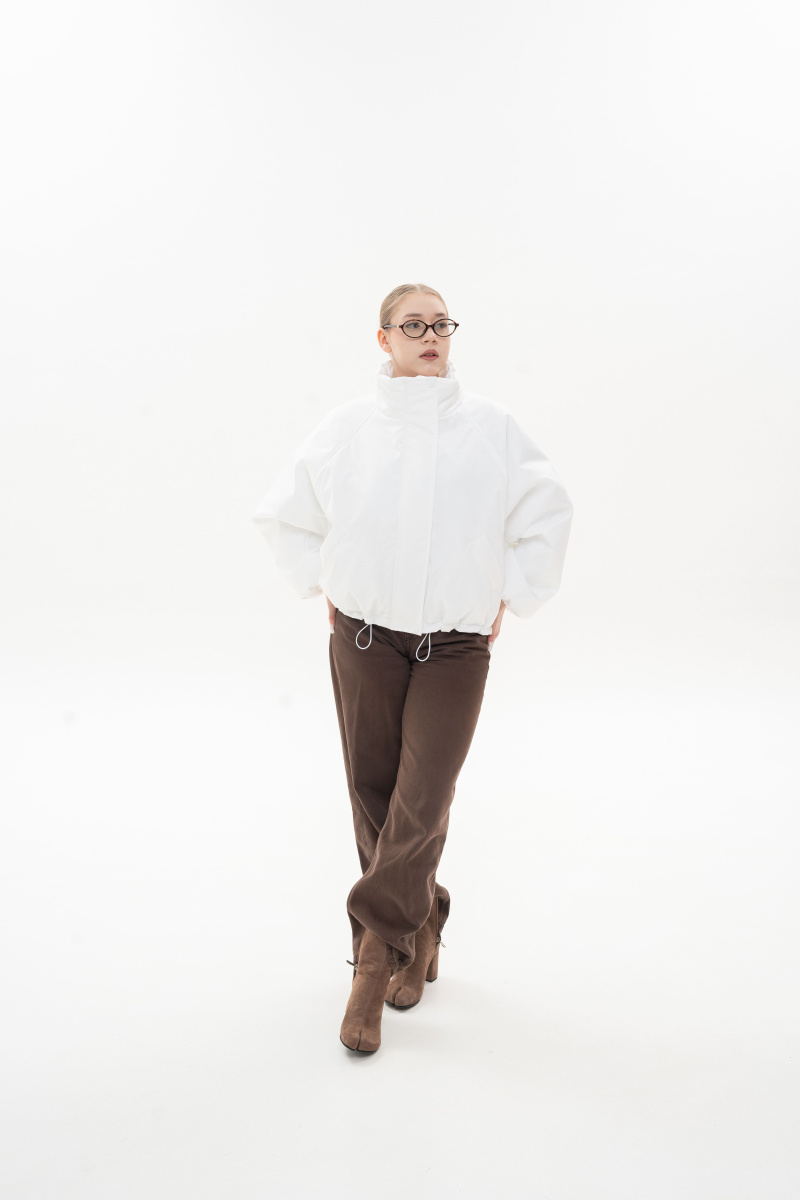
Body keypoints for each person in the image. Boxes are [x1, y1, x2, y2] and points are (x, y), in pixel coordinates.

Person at [252, 282, 573, 1054]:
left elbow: (549, 514)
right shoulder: (347, 427)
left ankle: (371, 961)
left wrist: (509, 593)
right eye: (413, 324)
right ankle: (421, 924)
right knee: (374, 794)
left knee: (421, 797)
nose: (431, 335)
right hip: (364, 639)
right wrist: (326, 583)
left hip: (455, 647)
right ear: (384, 338)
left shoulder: (492, 427)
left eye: (441, 324)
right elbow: (283, 514)